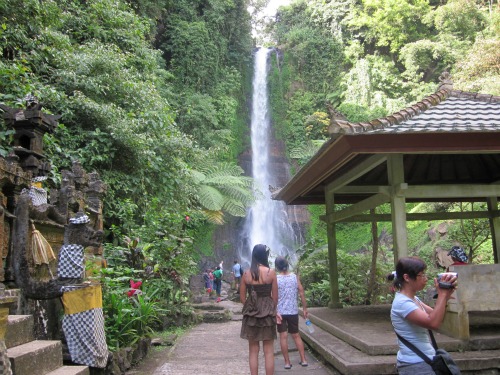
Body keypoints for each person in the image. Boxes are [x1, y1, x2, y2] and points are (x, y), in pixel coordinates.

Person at [388, 256, 457, 374]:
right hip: (415, 364)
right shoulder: (402, 303)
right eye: (422, 275)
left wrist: (444, 297)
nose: (426, 278)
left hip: (423, 359)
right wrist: (441, 295)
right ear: (407, 277)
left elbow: (438, 316)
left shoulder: (413, 299)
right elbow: (433, 323)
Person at [240, 244, 278, 375]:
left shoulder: (246, 274)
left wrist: (252, 305)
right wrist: (269, 308)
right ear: (264, 256)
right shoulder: (271, 273)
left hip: (252, 313)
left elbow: (242, 297)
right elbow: (275, 298)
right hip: (268, 313)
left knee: (253, 350)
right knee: (268, 350)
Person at [275, 256, 309, 369]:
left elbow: (272, 296)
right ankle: (303, 360)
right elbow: (302, 292)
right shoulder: (294, 277)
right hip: (293, 311)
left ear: (277, 267)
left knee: (283, 337)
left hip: (280, 313)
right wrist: (305, 309)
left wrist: (274, 311)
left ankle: (287, 363)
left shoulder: (276, 279)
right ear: (287, 265)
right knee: (296, 335)